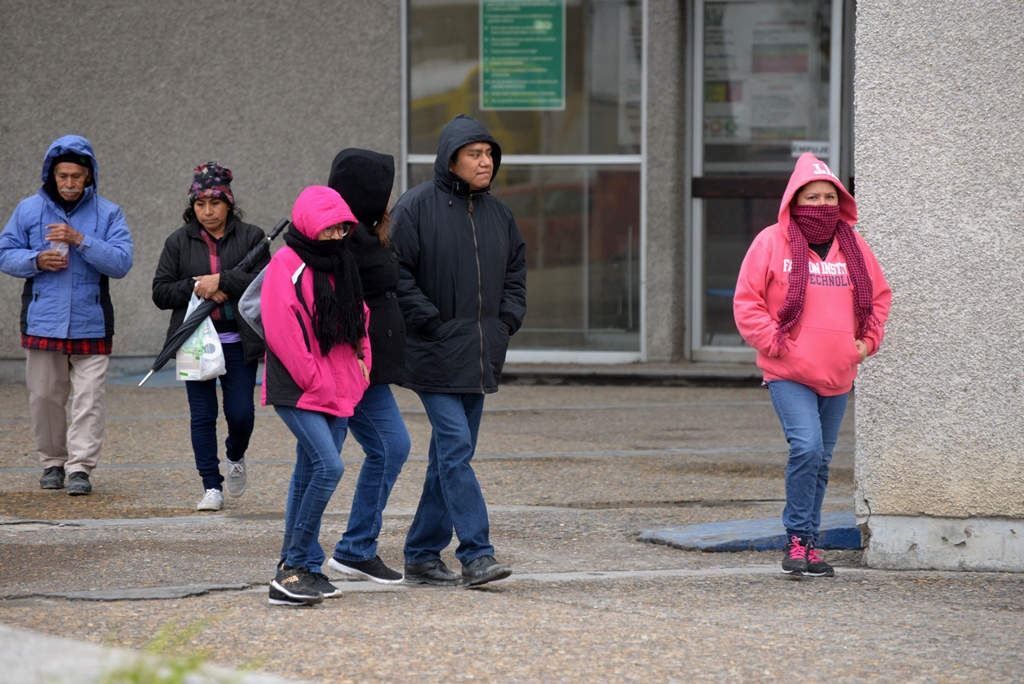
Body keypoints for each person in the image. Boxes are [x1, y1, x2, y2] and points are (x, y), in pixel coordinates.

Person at [733, 153, 891, 578]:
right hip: (788, 371)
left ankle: (811, 544)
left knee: (821, 459)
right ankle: (797, 539)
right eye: (812, 196)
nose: (821, 204)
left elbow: (879, 298)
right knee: (806, 447)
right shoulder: (770, 242)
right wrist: (775, 343)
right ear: (794, 200)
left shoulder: (855, 247)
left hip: (838, 372)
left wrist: (865, 344)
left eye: (829, 196)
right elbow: (747, 303)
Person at [390, 114, 527, 587]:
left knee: (448, 456)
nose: (485, 161)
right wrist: (428, 320)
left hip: (480, 354)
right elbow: (395, 273)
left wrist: (507, 321)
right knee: (456, 450)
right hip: (432, 353)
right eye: (475, 154)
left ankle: (422, 553)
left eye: (489, 153)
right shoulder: (415, 208)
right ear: (451, 160)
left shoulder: (499, 215)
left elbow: (515, 272)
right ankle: (477, 554)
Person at [0, 135, 134, 496]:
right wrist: (35, 260)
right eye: (63, 177)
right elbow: (4, 252)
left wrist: (80, 240)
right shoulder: (28, 209)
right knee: (44, 397)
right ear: (52, 175)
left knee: (89, 398)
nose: (70, 184)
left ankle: (80, 468)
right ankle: (53, 463)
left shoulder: (109, 213)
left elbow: (122, 263)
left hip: (92, 321)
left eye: (77, 176)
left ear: (89, 176)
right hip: (43, 319)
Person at [262, 185, 371, 606]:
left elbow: (360, 319)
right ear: (309, 224)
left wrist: (362, 370)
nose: (336, 235)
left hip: (340, 386)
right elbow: (282, 329)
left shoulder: (344, 263)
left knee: (309, 472)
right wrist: (314, 379)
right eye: (329, 228)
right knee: (330, 468)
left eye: (343, 227)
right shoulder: (285, 263)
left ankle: (302, 567)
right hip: (299, 386)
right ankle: (291, 569)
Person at [152, 162, 267, 512]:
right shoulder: (178, 241)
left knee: (241, 414)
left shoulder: (253, 237)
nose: (207, 211)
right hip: (195, 341)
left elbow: (268, 284)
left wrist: (225, 282)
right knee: (202, 416)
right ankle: (211, 486)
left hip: (239, 342)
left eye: (214, 203)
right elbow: (160, 292)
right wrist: (196, 287)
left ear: (228, 203)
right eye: (200, 204)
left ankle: (235, 454)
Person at [323, 148, 410, 584]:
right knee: (322, 463)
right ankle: (297, 560)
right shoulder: (337, 238)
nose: (390, 196)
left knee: (392, 447)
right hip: (343, 367)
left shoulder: (368, 232)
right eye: (385, 187)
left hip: (368, 369)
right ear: (366, 192)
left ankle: (356, 549)